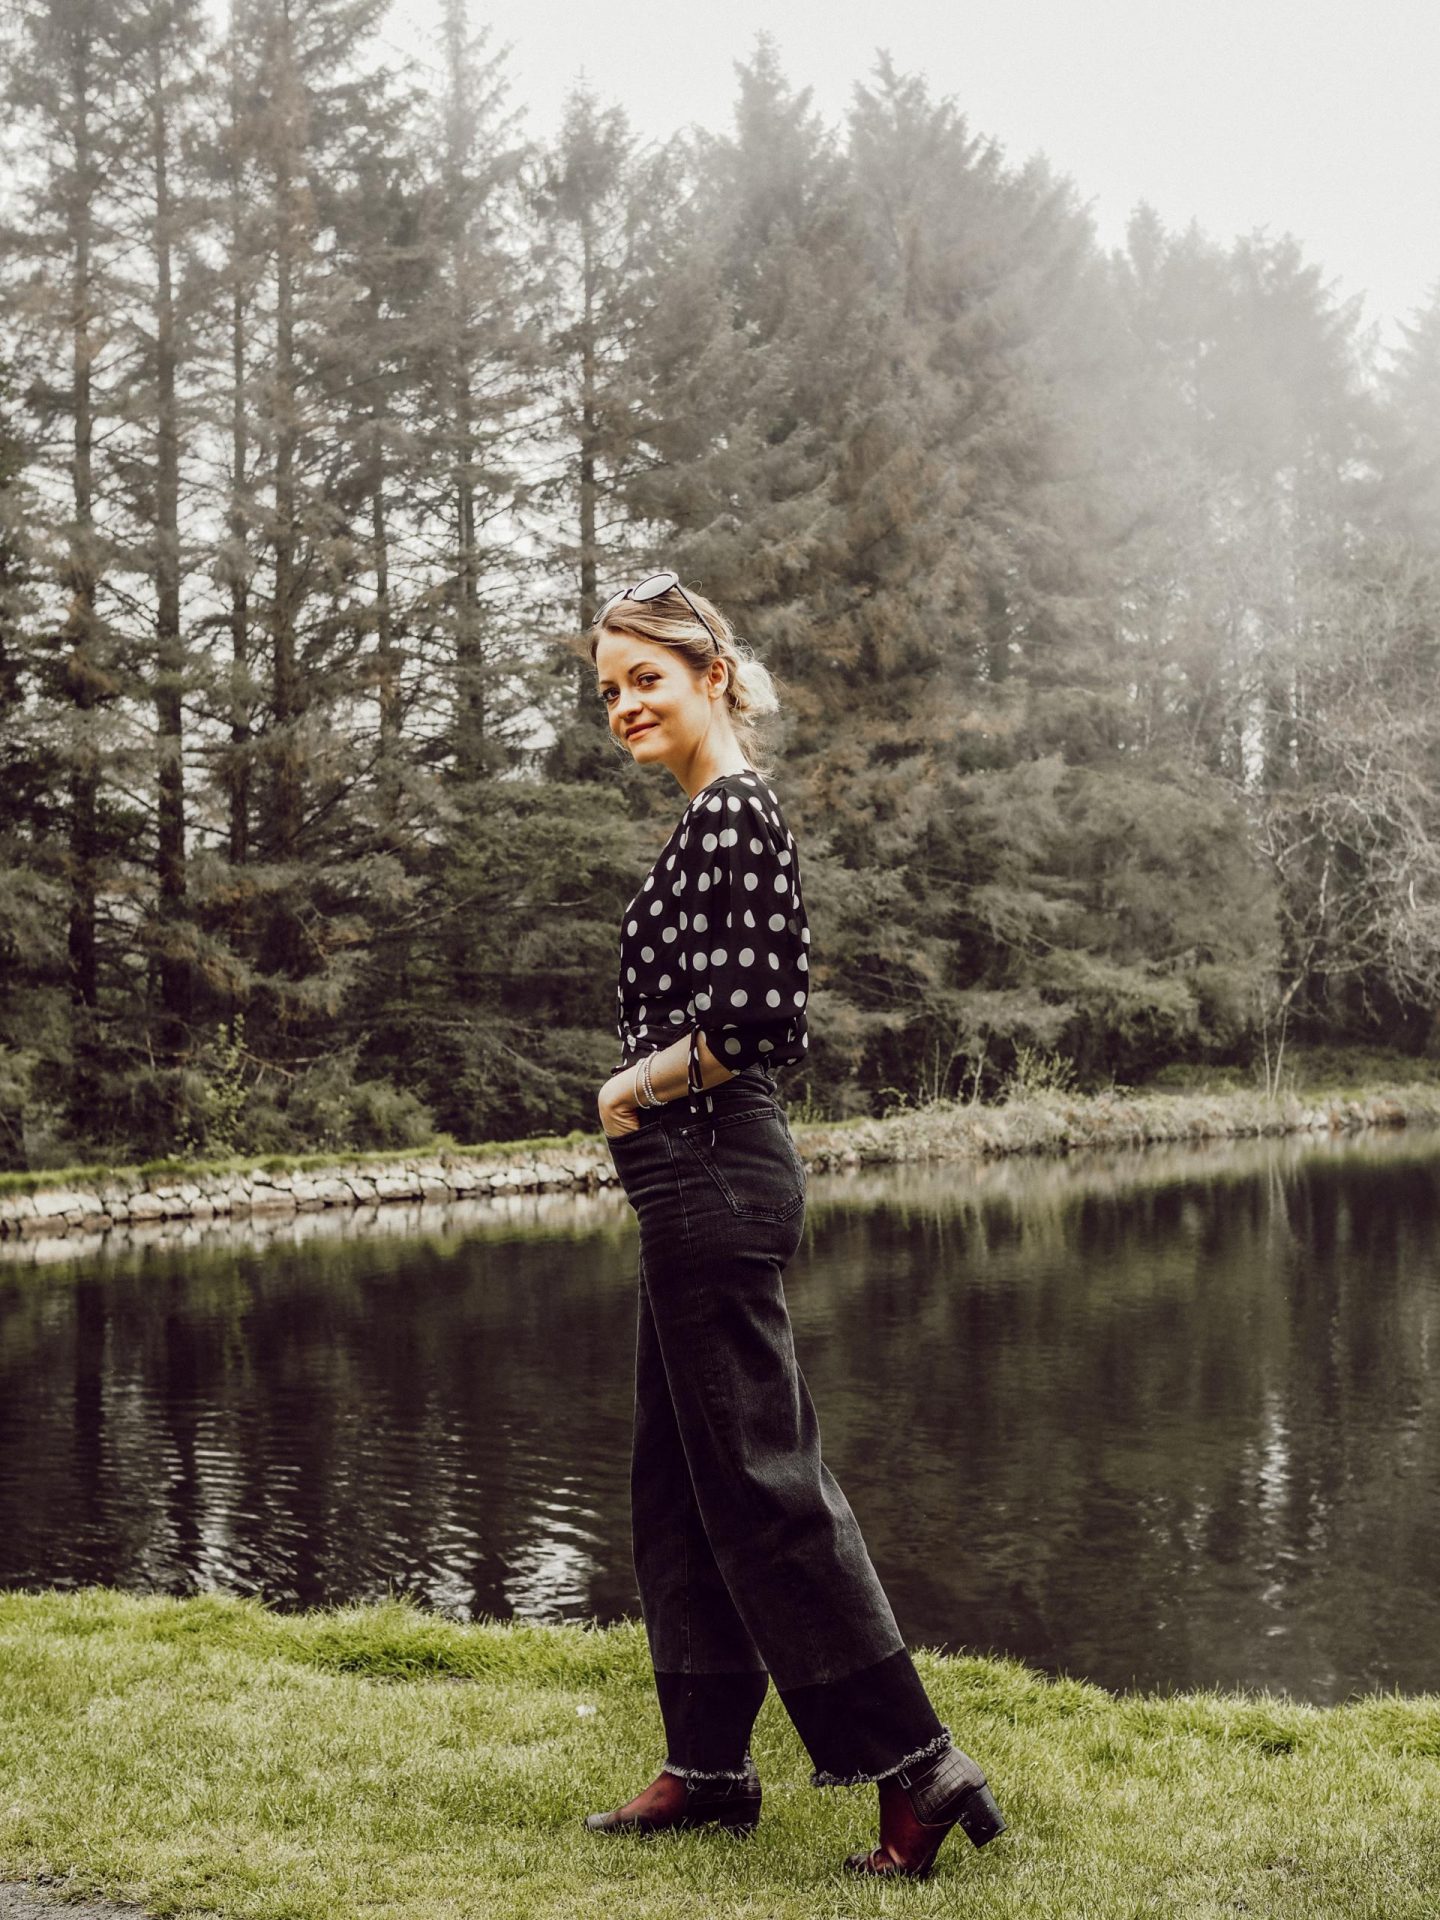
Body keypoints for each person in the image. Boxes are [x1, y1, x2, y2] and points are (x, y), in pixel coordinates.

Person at [583, 572, 1006, 1881]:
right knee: (682, 1477)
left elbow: (764, 1025)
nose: (623, 707)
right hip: (687, 1173)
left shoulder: (737, 817)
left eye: (645, 677)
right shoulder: (701, 825)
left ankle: (920, 1768)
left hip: (710, 1162)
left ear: (712, 672)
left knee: (765, 1480)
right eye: (607, 690)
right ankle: (709, 1763)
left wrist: (629, 1089)